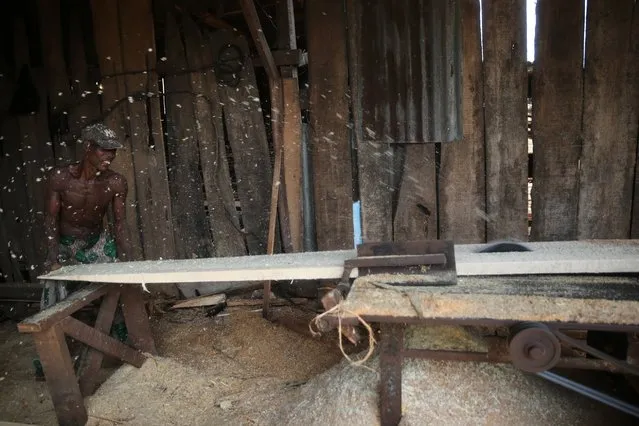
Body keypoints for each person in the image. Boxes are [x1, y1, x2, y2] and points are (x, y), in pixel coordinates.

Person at [40, 122, 132, 309]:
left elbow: (120, 223)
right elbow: (50, 219)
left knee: (120, 289)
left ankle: (118, 335)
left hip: (95, 242)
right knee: (53, 299)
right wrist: (53, 257)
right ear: (88, 147)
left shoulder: (115, 182)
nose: (110, 155)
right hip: (65, 243)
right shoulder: (60, 177)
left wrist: (127, 262)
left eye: (113, 150)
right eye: (104, 150)